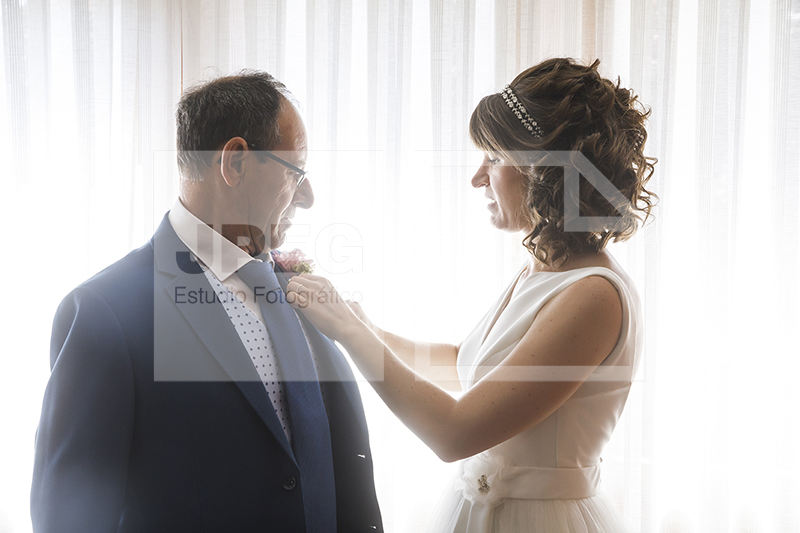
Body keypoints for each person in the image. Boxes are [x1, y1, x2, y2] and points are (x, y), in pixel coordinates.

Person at [285, 58, 656, 532]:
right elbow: (463, 362)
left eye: (494, 158)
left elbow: (454, 433)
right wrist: (360, 324)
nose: (478, 177)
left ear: (547, 172)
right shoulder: (543, 266)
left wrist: (350, 334)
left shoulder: (594, 296)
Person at [31, 72, 383, 532]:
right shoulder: (105, 312)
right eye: (296, 171)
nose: (309, 197)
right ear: (234, 163)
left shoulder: (300, 288)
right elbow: (69, 517)